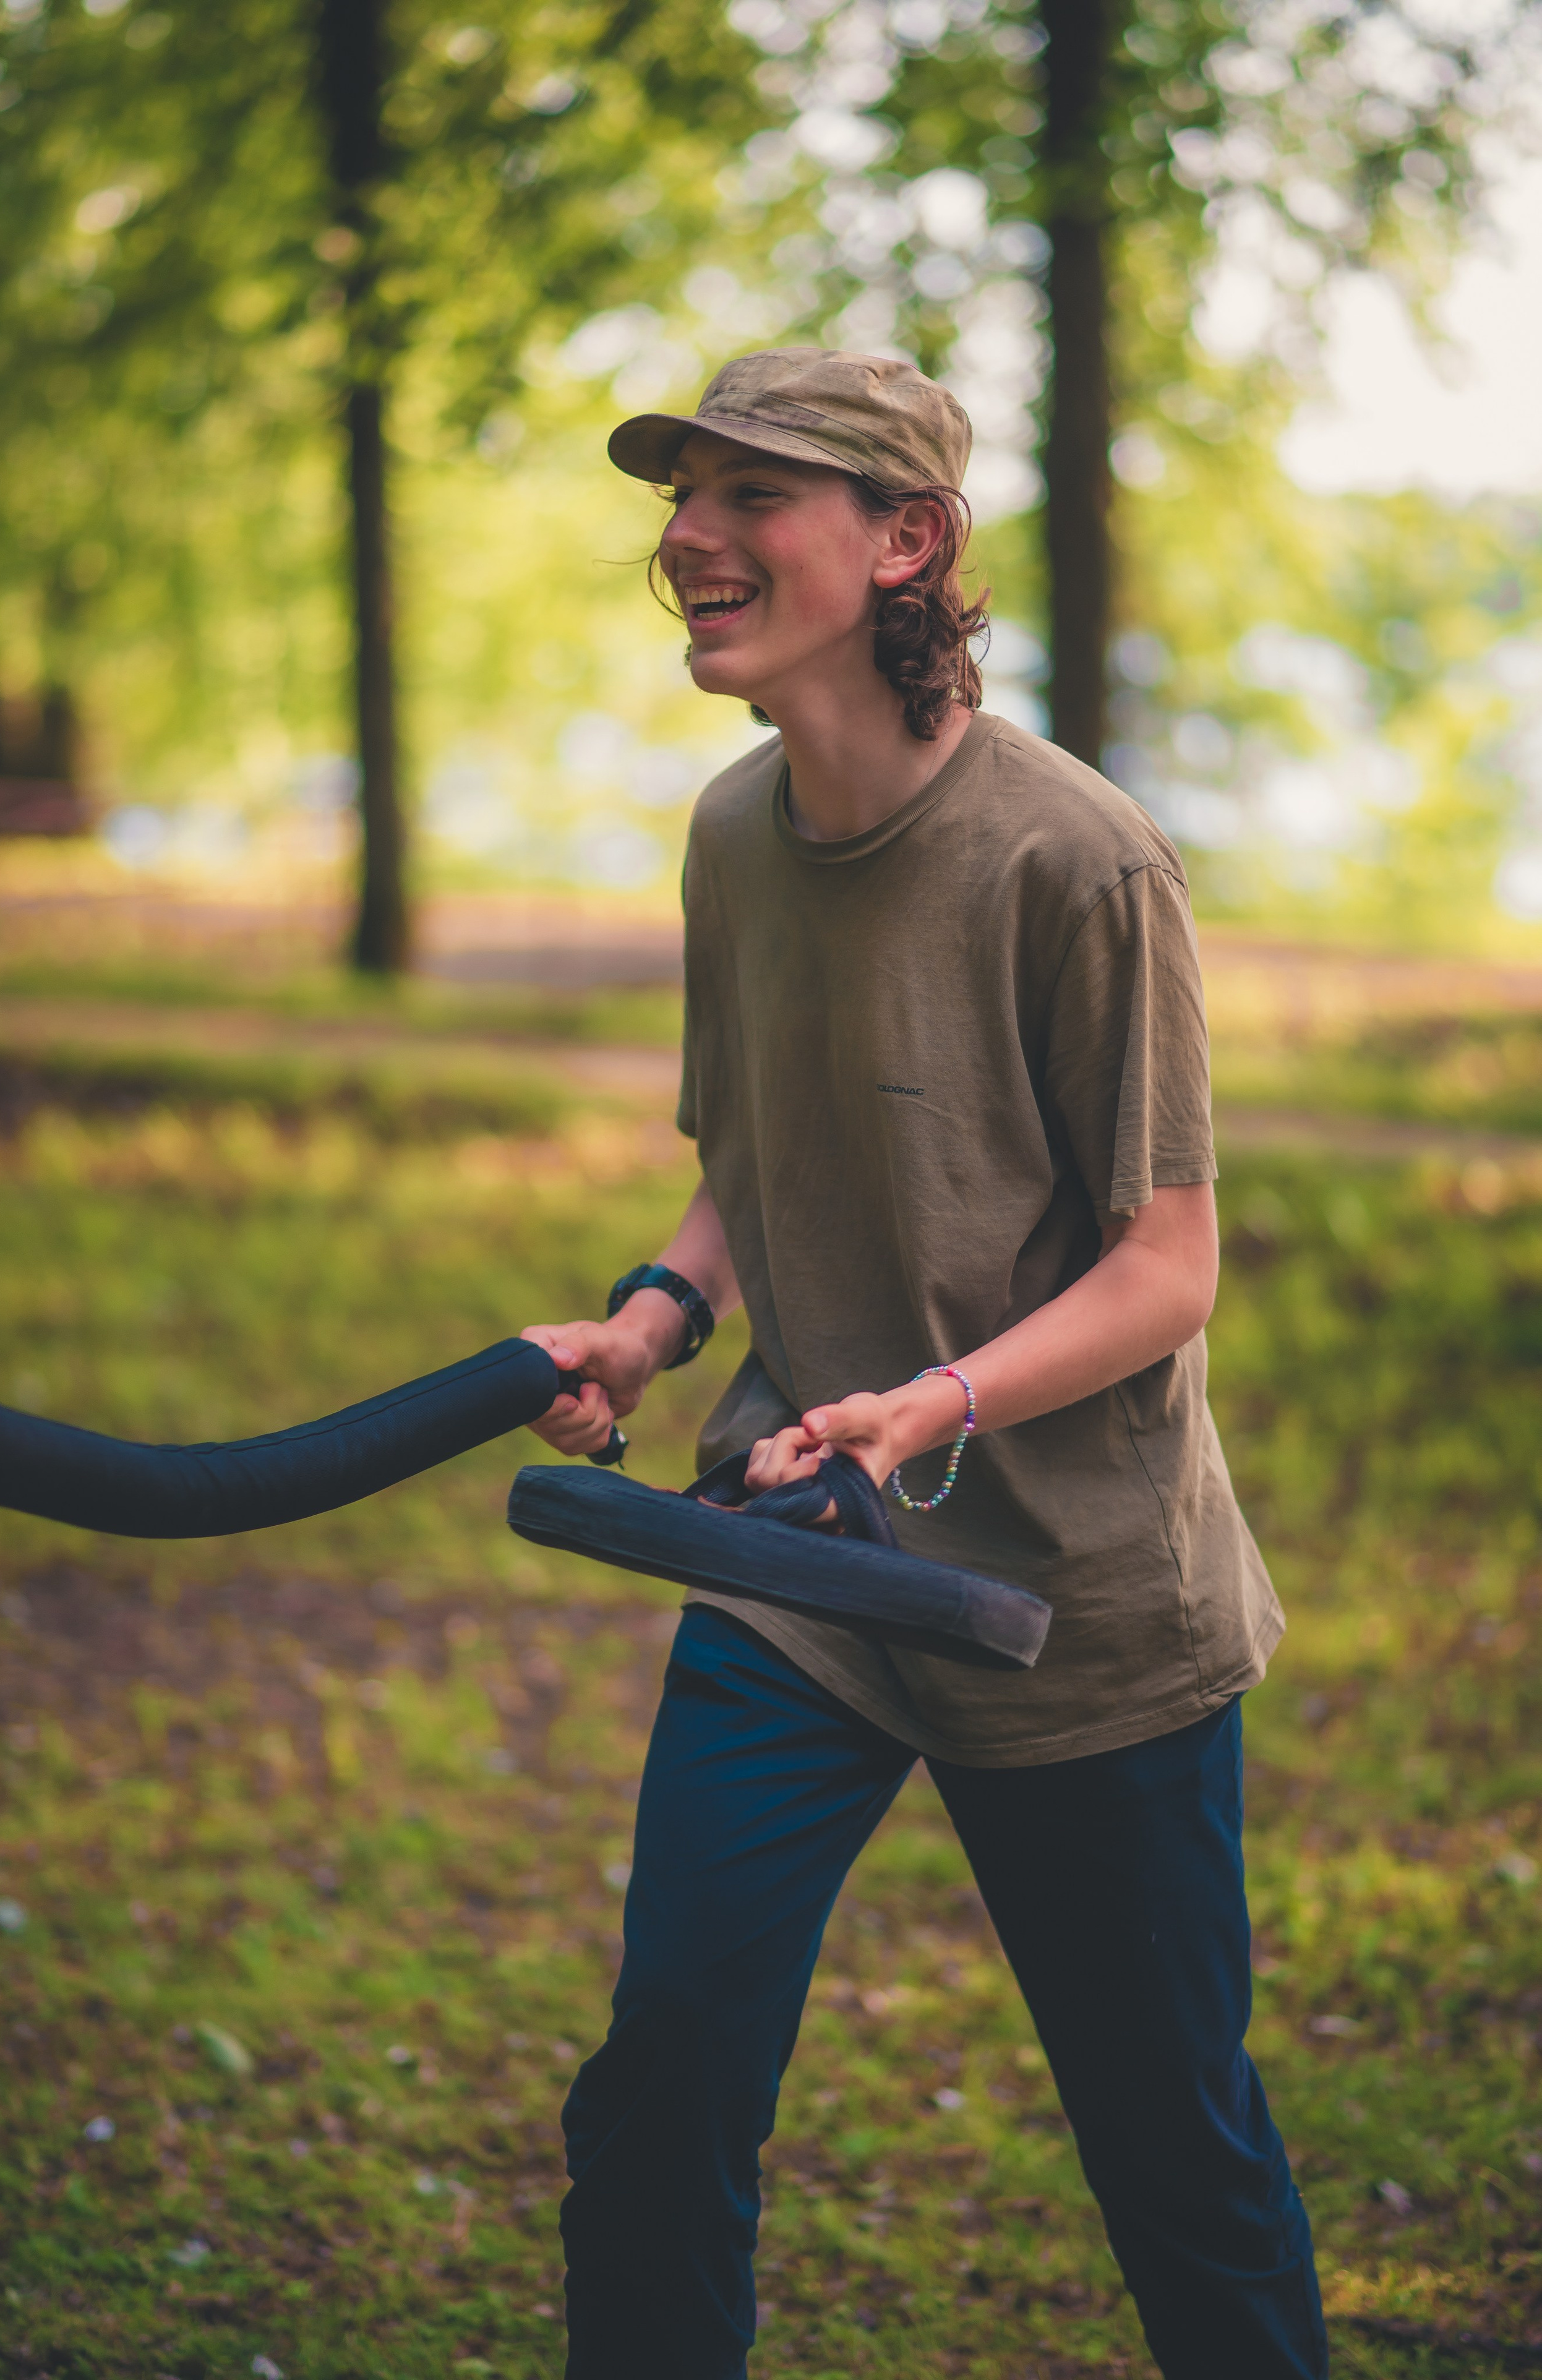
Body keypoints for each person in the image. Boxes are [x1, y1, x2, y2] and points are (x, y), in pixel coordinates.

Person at [520, 348, 1327, 2380]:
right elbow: (752, 1158)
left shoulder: (1079, 859)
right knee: (669, 2076)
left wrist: (942, 1398)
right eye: (683, 495)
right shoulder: (730, 834)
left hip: (1075, 1601)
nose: (690, 537)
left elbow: (1168, 1266)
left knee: (1173, 2149)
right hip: (803, 1560)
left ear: (908, 543)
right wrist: (654, 1316)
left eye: (752, 495)